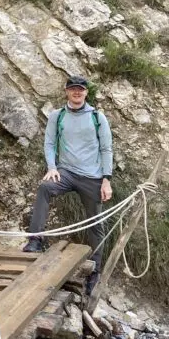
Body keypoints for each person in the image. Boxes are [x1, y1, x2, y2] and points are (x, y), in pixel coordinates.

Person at [24, 76, 113, 292]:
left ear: (86, 93)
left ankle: (95, 270)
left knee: (95, 223)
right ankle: (35, 240)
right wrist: (52, 167)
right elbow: (49, 143)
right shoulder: (58, 115)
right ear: (66, 91)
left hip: (92, 177)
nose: (76, 92)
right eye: (73, 89)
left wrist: (106, 180)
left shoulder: (97, 117)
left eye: (80, 89)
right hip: (66, 173)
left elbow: (106, 149)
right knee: (45, 187)